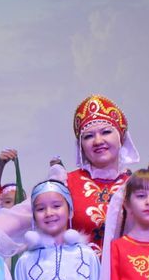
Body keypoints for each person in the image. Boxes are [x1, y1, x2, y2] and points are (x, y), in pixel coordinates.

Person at [49, 94, 137, 245]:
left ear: (121, 138)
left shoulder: (138, 185)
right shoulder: (64, 184)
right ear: (81, 146)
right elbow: (19, 219)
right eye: (88, 136)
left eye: (106, 132)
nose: (98, 141)